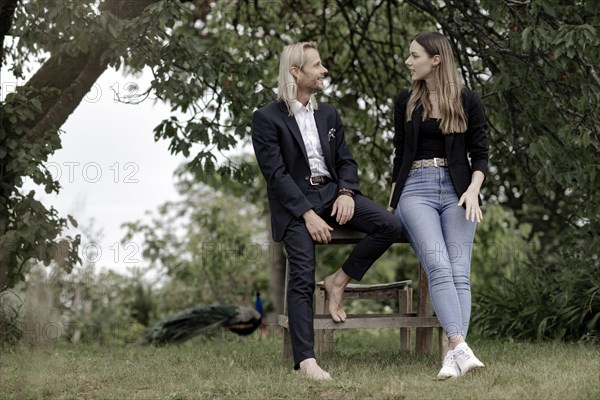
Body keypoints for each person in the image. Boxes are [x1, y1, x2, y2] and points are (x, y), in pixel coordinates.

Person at [252, 42, 402, 380]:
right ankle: (306, 360)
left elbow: (346, 160)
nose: (324, 71)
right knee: (302, 275)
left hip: (333, 193)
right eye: (317, 65)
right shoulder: (266, 118)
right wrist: (307, 214)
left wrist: (347, 192)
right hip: (295, 205)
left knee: (389, 225)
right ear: (295, 72)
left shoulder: (328, 114)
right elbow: (275, 175)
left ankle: (339, 281)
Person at [387, 31, 488, 380]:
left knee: (460, 273)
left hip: (460, 191)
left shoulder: (467, 99)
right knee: (440, 266)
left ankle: (449, 357)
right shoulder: (406, 101)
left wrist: (474, 189)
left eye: (414, 55)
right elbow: (400, 155)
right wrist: (392, 201)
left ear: (436, 60)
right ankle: (460, 344)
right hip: (416, 189)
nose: (408, 61)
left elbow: (481, 154)